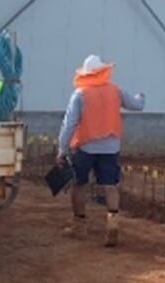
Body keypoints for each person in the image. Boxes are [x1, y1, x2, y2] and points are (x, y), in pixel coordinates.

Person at [56, 54, 145, 245]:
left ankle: (79, 226)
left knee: (79, 184)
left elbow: (69, 123)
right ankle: (112, 225)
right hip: (110, 147)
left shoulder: (80, 93)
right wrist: (141, 96)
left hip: (86, 147)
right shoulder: (116, 91)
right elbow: (137, 105)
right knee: (110, 186)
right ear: (104, 71)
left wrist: (62, 148)